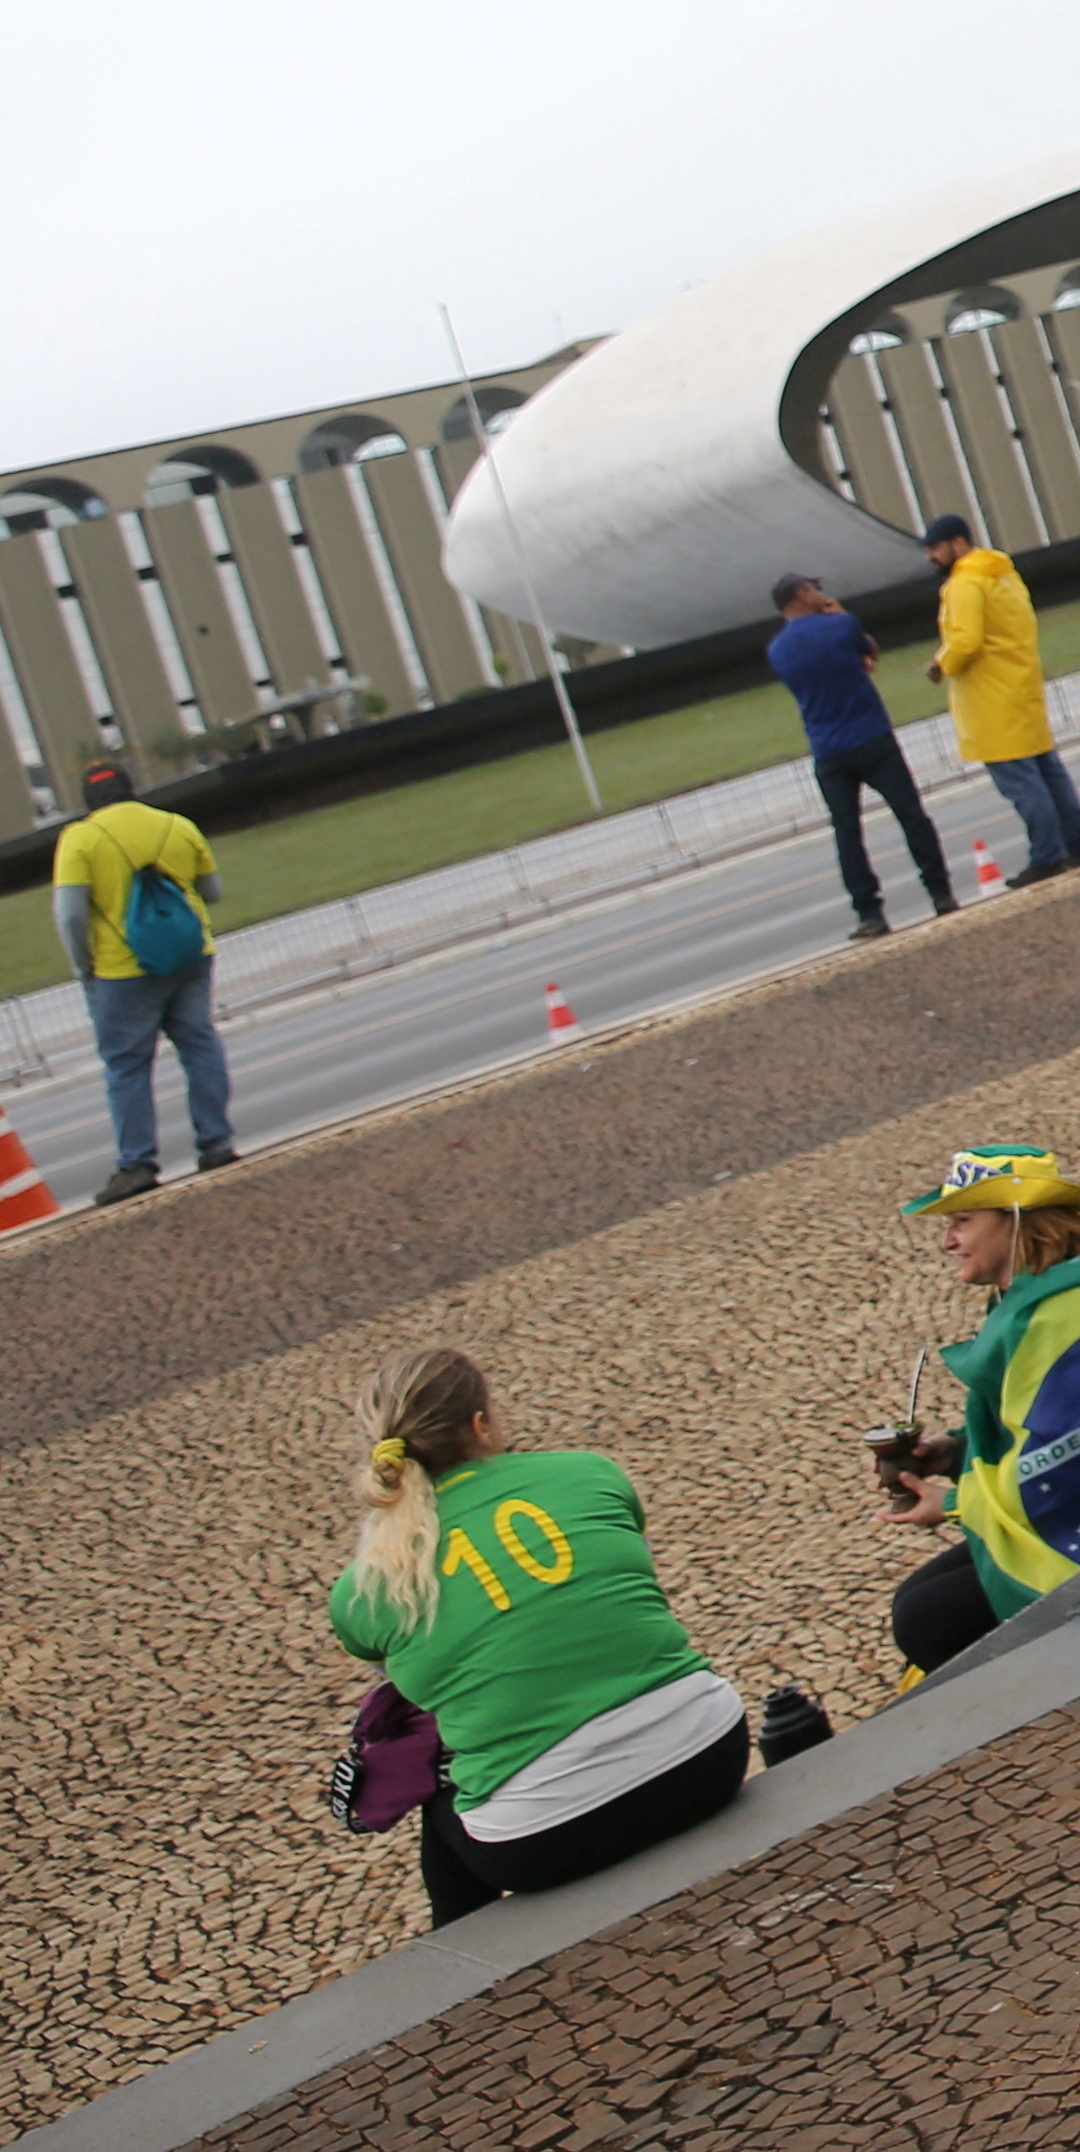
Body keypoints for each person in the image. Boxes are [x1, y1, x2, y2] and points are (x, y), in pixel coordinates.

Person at [332, 1348, 752, 1923]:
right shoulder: (589, 1473)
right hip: (709, 1755)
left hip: (541, 1840)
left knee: (441, 1801)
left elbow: (416, 1688)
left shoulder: (365, 1588)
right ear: (481, 1424)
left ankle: (457, 1986)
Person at [874, 1145, 1080, 1678]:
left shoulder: (1072, 1316)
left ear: (1017, 1222)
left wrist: (958, 1501)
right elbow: (1045, 1421)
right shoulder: (1027, 1301)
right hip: (1071, 1504)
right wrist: (958, 1447)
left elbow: (1077, 1460)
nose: (946, 1241)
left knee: (924, 1620)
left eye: (961, 1221)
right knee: (918, 1600)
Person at [50, 760, 229, 1205]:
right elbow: (213, 891)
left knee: (127, 1066)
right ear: (132, 789)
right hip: (190, 957)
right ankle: (216, 1141)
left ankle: (139, 1162)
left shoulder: (81, 838)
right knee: (199, 1043)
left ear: (89, 802)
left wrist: (82, 966)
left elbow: (70, 914)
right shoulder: (176, 825)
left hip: (122, 971)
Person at [770, 575, 955, 940]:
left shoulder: (777, 650)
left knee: (848, 833)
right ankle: (940, 892)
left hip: (828, 748)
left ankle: (869, 912)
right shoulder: (842, 625)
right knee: (911, 815)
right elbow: (868, 651)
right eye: (814, 588)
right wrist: (837, 613)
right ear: (803, 594)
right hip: (871, 736)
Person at [917, 516, 1080, 881]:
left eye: (936, 549)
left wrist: (940, 664)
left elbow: (965, 642)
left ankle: (1047, 855)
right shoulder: (1003, 573)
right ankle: (1076, 844)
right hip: (1021, 685)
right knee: (1047, 771)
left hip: (990, 698)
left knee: (1023, 782)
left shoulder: (965, 584)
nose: (931, 557)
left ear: (958, 543)